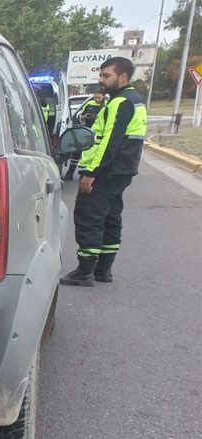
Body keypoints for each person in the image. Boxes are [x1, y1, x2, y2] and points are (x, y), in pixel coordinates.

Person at [60, 57, 146, 287]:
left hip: (106, 172)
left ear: (123, 76)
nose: (101, 80)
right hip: (121, 171)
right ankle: (103, 269)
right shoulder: (134, 100)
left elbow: (109, 142)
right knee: (110, 218)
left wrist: (91, 173)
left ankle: (85, 271)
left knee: (90, 217)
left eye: (106, 75)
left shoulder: (120, 102)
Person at [63, 89, 106, 179]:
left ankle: (92, 174)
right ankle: (70, 174)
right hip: (86, 132)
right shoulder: (89, 104)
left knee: (95, 156)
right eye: (95, 97)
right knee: (77, 153)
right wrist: (84, 117)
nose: (97, 99)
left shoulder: (106, 106)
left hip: (100, 136)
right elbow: (80, 116)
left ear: (103, 97)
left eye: (99, 97)